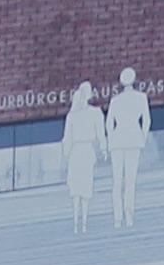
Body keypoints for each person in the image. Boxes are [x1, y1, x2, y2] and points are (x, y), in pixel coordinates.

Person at [104, 69, 152, 227]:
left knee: (117, 181)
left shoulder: (115, 100)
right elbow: (146, 121)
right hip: (133, 140)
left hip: (118, 141)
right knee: (130, 181)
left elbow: (109, 123)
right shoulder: (141, 98)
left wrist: (111, 139)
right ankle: (129, 215)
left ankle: (117, 218)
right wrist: (142, 138)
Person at [62, 80, 103, 230]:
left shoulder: (72, 115)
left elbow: (67, 139)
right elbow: (100, 135)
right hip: (85, 152)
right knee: (84, 187)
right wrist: (103, 150)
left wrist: (66, 154)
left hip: (77, 152)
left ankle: (77, 221)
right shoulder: (94, 113)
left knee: (78, 189)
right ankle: (83, 222)